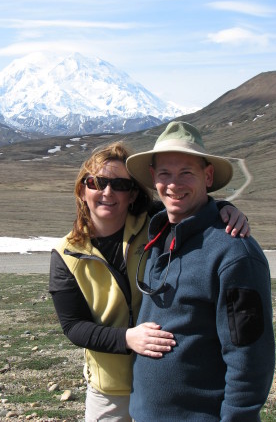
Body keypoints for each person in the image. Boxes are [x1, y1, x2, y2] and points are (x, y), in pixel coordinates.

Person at [49, 141, 250, 422]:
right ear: (82, 190)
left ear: (132, 195)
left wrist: (224, 209)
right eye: (97, 182)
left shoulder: (156, 223)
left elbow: (187, 203)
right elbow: (73, 326)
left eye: (120, 185)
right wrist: (128, 339)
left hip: (164, 388)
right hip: (110, 387)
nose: (108, 192)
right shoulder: (66, 254)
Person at [126, 121, 275, 422]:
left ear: (207, 177)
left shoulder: (234, 253)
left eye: (186, 173)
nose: (174, 185)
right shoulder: (159, 234)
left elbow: (249, 355)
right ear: (153, 177)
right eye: (165, 173)